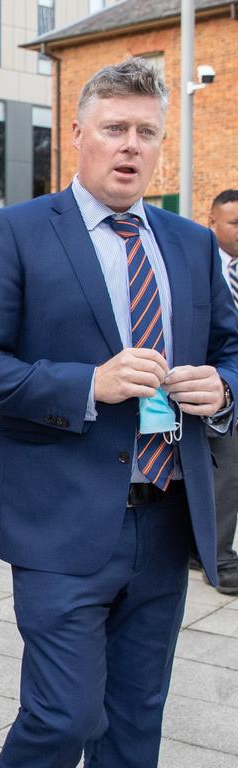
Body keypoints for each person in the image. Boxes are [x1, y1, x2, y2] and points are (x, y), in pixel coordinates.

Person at [0, 58, 238, 768]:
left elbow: (234, 347)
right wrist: (86, 384)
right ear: (77, 134)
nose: (131, 145)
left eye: (146, 132)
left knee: (134, 730)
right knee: (63, 718)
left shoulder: (191, 244)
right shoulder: (16, 231)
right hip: (60, 521)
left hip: (165, 519)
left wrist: (223, 388)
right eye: (114, 128)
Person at [205, 188, 238, 593]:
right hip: (211, 385)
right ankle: (218, 556)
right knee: (227, 470)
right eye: (233, 222)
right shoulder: (201, 264)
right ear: (211, 221)